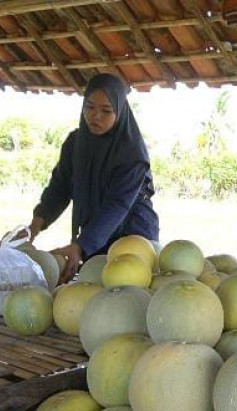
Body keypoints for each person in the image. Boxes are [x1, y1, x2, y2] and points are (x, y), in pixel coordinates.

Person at [28, 73, 159, 282]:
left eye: (106, 110)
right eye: (89, 107)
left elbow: (117, 205)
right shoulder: (75, 143)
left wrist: (81, 245)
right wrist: (34, 226)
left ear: (120, 111)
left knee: (125, 290)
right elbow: (59, 188)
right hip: (94, 233)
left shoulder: (131, 154)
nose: (95, 116)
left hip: (132, 235)